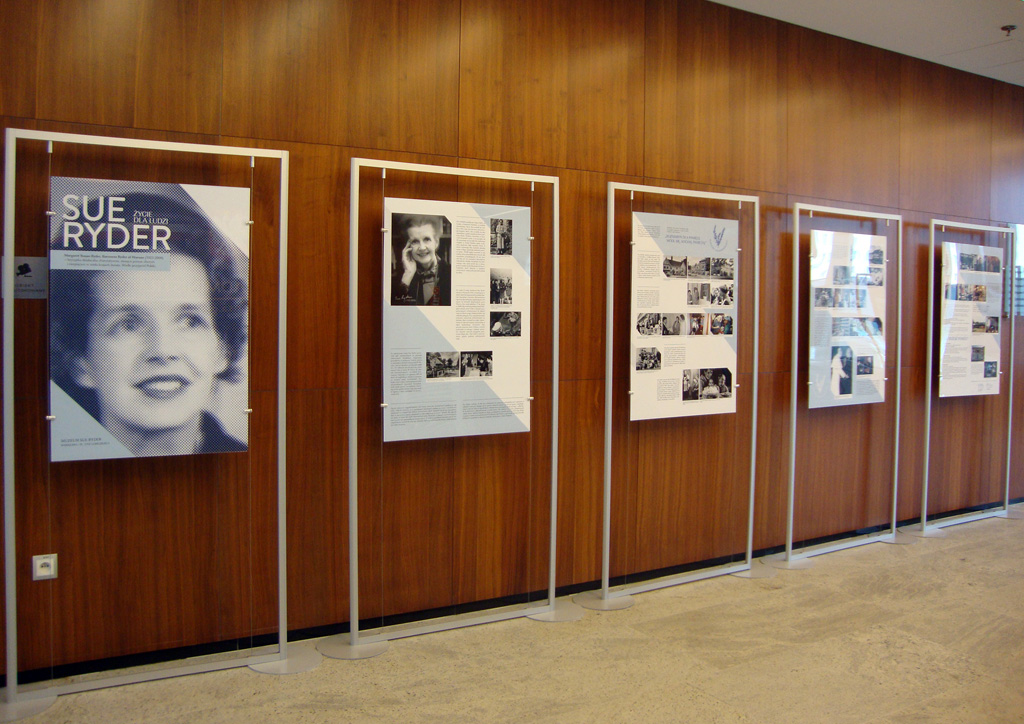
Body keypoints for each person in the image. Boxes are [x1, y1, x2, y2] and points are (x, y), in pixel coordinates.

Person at [50, 191, 248, 458]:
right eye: (128, 324)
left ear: (222, 349)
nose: (163, 350)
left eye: (190, 321)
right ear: (79, 361)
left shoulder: (254, 467)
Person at [391, 214, 451, 305]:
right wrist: (408, 274)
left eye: (427, 239)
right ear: (408, 246)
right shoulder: (400, 279)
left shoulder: (451, 274)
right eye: (415, 241)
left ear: (436, 242)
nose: (422, 248)